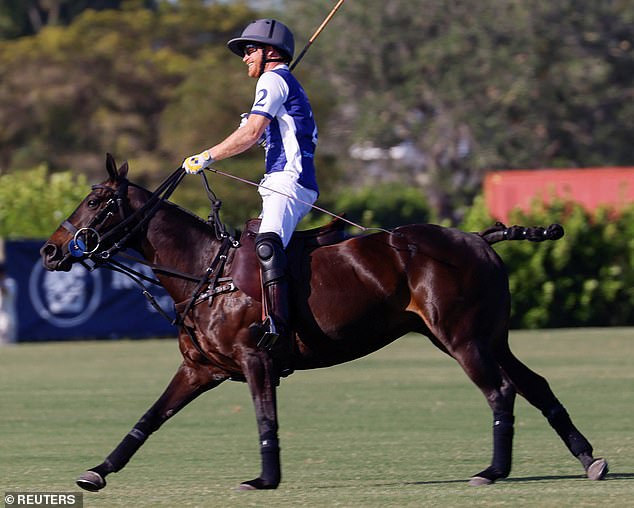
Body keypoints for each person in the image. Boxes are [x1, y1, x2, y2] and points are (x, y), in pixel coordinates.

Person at [181, 19, 319, 376]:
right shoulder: (281, 83)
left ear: (270, 52)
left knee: (266, 245)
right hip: (279, 181)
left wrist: (208, 155)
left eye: (249, 49)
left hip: (289, 180)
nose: (244, 57)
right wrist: (261, 130)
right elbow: (267, 131)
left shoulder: (272, 80)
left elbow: (250, 132)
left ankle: (277, 327)